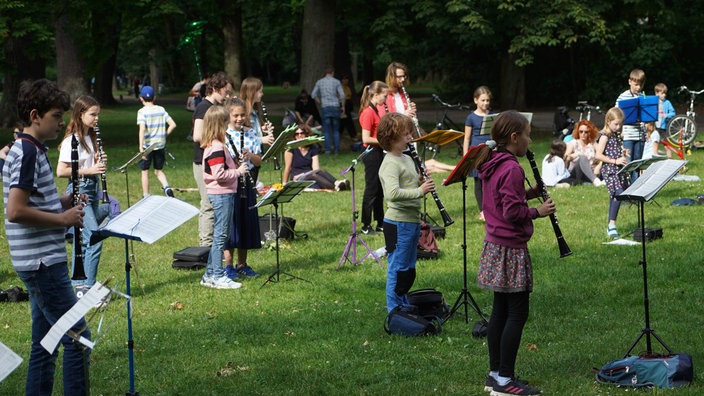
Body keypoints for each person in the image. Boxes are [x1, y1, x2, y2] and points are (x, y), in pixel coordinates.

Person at [3, 78, 89, 395]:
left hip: (39, 262)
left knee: (45, 343)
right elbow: (15, 210)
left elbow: (32, 202)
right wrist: (62, 218)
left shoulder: (31, 150)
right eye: (55, 115)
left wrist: (62, 204)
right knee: (78, 337)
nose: (61, 121)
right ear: (36, 115)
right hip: (42, 264)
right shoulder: (26, 152)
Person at [473, 110, 555, 396]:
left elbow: (497, 200)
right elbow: (511, 212)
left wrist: (528, 193)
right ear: (514, 137)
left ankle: (494, 375)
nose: (530, 141)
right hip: (510, 248)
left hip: (494, 245)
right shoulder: (512, 168)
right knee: (517, 314)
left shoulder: (493, 162)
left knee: (500, 311)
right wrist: (538, 211)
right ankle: (505, 381)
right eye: (528, 135)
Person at [377, 112, 435, 312]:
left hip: (411, 221)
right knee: (398, 268)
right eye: (406, 134)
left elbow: (407, 184)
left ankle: (403, 303)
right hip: (397, 222)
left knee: (409, 268)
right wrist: (420, 191)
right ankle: (394, 308)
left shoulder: (407, 158)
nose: (410, 137)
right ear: (392, 137)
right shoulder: (389, 163)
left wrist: (419, 181)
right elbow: (392, 194)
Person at [56, 95, 112, 298]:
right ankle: (88, 289)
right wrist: (90, 170)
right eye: (93, 114)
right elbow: (61, 171)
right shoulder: (73, 139)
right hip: (78, 191)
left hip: (91, 191)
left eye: (98, 114)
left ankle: (79, 282)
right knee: (94, 238)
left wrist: (98, 159)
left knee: (85, 237)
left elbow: (88, 164)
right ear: (81, 114)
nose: (97, 118)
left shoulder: (91, 136)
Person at [200, 105, 248, 289]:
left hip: (222, 194)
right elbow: (219, 175)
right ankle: (218, 276)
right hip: (221, 195)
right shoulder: (217, 147)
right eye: (226, 121)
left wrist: (233, 164)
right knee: (221, 236)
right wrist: (238, 171)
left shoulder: (215, 145)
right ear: (220, 124)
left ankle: (209, 275)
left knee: (221, 235)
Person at [222, 97, 264, 279]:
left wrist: (250, 155)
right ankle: (228, 265)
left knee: (246, 222)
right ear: (228, 115)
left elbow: (259, 160)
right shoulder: (222, 135)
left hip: (247, 183)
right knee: (231, 224)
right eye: (235, 115)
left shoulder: (251, 134)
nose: (239, 119)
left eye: (242, 115)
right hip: (230, 183)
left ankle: (243, 264)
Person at [192, 71, 232, 247]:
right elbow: (197, 136)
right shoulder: (203, 107)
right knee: (208, 204)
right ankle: (206, 246)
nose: (228, 96)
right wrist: (217, 143)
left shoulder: (215, 108)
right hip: (203, 162)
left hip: (214, 161)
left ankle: (217, 244)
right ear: (215, 88)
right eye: (226, 92)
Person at [359, 81, 389, 235]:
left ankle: (380, 222)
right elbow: (366, 138)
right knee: (371, 189)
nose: (386, 99)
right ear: (376, 95)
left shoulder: (375, 110)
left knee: (379, 189)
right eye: (384, 95)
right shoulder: (368, 112)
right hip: (371, 154)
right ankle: (365, 224)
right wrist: (385, 141)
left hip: (378, 153)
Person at [594, 107, 629, 240]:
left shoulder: (616, 134)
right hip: (610, 170)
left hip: (617, 169)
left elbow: (613, 149)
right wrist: (615, 160)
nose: (618, 127)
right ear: (608, 121)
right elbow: (598, 155)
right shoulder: (604, 136)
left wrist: (623, 152)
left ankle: (611, 225)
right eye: (616, 124)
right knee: (618, 194)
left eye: (620, 124)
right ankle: (612, 224)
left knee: (615, 195)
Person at [282, 124, 350, 190]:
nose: (299, 135)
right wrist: (284, 184)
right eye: (297, 134)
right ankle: (336, 187)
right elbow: (287, 168)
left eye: (302, 133)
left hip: (310, 174)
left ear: (306, 134)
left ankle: (337, 183)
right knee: (313, 176)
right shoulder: (290, 149)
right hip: (297, 177)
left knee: (320, 172)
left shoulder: (313, 148)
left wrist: (306, 173)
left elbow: (316, 169)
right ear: (294, 136)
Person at [137, 85, 177, 197]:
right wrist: (165, 135)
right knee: (158, 170)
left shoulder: (141, 112)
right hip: (160, 145)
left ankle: (146, 195)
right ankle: (167, 187)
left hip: (148, 147)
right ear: (154, 98)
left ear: (141, 98)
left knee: (145, 171)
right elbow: (173, 124)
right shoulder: (161, 109)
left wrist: (140, 147)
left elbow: (142, 128)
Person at [463, 86, 493, 221]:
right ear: (476, 100)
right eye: (482, 100)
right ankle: (482, 210)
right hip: (476, 151)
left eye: (487, 100)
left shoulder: (492, 115)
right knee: (478, 181)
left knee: (490, 180)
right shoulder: (471, 117)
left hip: (490, 150)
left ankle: (492, 207)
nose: (485, 103)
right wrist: (466, 156)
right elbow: (467, 138)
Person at [240, 77, 275, 179]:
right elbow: (242, 136)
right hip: (247, 158)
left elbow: (251, 131)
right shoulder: (243, 112)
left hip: (255, 155)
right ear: (252, 92)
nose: (262, 94)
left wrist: (262, 128)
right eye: (260, 91)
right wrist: (262, 139)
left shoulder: (254, 110)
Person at [616, 68, 646, 182]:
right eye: (636, 84)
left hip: (640, 134)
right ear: (629, 82)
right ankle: (626, 190)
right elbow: (616, 115)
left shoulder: (642, 97)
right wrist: (620, 132)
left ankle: (635, 190)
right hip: (628, 135)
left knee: (637, 164)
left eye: (640, 85)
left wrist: (646, 131)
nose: (638, 87)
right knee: (628, 164)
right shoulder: (622, 97)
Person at [311, 66, 345, 154]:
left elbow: (313, 94)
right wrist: (341, 104)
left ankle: (327, 150)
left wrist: (320, 102)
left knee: (326, 130)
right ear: (332, 73)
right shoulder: (336, 82)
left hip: (325, 107)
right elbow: (342, 95)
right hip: (335, 107)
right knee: (336, 130)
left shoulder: (320, 82)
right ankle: (336, 150)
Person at [340, 75, 357, 139]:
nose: (346, 80)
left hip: (348, 104)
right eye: (344, 79)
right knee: (348, 119)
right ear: (341, 80)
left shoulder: (347, 88)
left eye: (347, 79)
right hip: (344, 104)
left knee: (345, 120)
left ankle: (340, 132)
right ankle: (353, 134)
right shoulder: (340, 88)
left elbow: (349, 96)